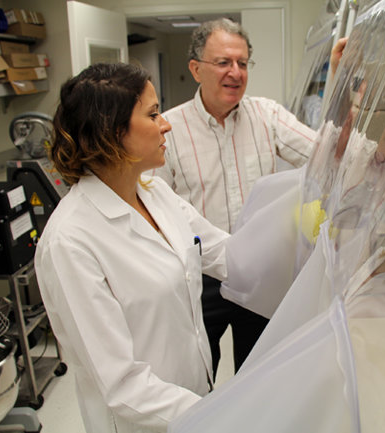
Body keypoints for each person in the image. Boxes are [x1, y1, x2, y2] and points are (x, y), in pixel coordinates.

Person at [34, 63, 229, 433]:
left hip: (195, 401)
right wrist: (219, 415)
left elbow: (224, 253)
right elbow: (122, 384)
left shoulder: (156, 194)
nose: (166, 124)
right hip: (142, 423)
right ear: (111, 131)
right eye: (153, 114)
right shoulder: (70, 241)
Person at [150, 18, 318, 376]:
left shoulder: (267, 116)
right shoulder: (169, 130)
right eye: (224, 62)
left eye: (242, 63)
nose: (236, 73)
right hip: (200, 276)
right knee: (196, 374)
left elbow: (324, 157)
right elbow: (154, 207)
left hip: (260, 272)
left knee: (258, 373)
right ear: (196, 69)